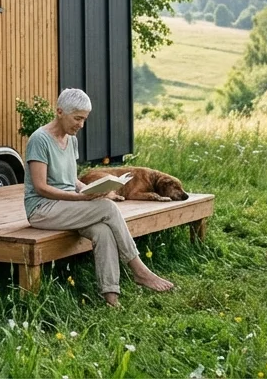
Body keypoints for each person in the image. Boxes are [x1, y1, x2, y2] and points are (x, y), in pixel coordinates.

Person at [23, 88, 174, 304]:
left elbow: (71, 180)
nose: (81, 125)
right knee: (108, 208)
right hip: (43, 209)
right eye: (77, 118)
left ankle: (111, 297)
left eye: (84, 119)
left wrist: (90, 190)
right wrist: (81, 199)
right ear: (59, 112)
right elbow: (41, 188)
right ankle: (139, 270)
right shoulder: (40, 140)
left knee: (102, 231)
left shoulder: (71, 140)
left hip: (66, 208)